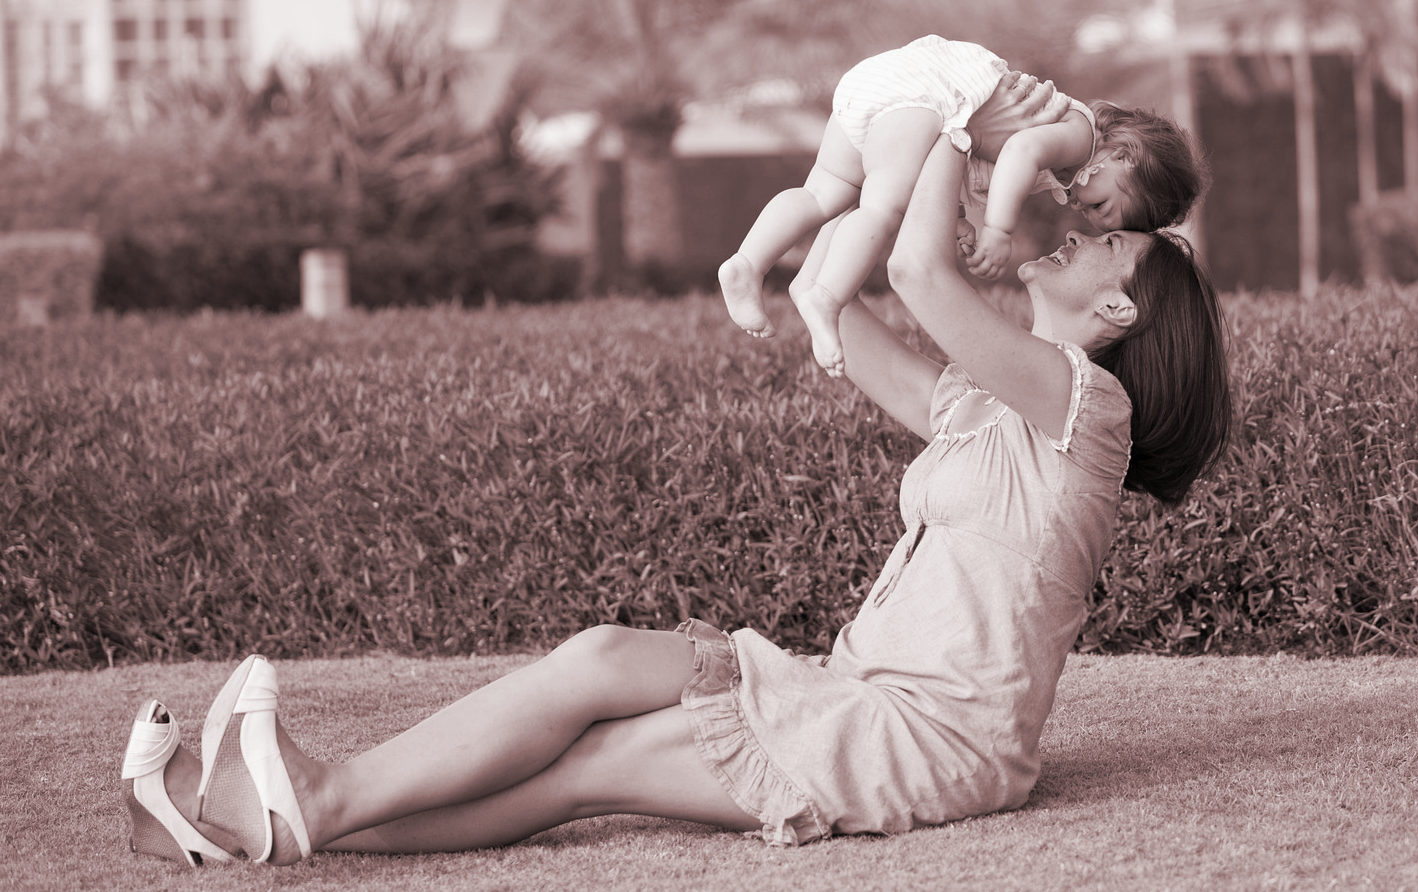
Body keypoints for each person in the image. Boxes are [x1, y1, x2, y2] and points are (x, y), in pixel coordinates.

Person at [116, 92, 1232, 865]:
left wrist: (957, 102)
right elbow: (839, 298)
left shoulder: (1090, 413)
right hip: (845, 687)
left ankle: (303, 803)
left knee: (588, 767)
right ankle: (220, 816)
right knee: (601, 660)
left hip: (927, 740)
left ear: (1118, 310)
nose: (1080, 229)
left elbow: (918, 273)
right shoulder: (988, 405)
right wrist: (917, 160)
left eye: (1106, 245)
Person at [718, 34, 1206, 376]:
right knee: (883, 207)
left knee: (823, 192)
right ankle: (825, 296)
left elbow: (964, 159)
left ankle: (746, 263)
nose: (1085, 215)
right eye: (1103, 208)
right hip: (929, 96)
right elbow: (1016, 150)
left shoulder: (1064, 168)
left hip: (890, 89)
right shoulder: (1080, 136)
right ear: (1123, 157)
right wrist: (997, 229)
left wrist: (957, 220)